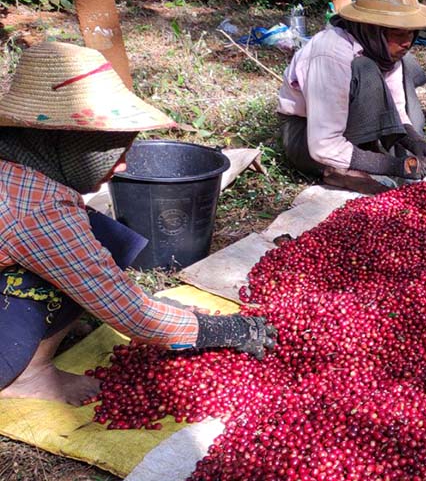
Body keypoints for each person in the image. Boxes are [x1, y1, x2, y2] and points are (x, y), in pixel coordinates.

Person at [0, 42, 276, 405]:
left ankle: (33, 337)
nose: (124, 165)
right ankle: (26, 374)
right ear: (71, 144)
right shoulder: (39, 206)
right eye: (115, 151)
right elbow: (131, 316)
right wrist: (228, 329)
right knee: (81, 249)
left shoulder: (18, 166)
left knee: (100, 234)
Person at [278, 0, 426, 195]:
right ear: (372, 29)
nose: (407, 42)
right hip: (306, 136)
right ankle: (341, 171)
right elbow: (323, 145)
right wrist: (394, 166)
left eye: (411, 34)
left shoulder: (384, 51)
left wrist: (415, 142)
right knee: (364, 68)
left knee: (408, 65)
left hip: (351, 126)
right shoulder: (331, 54)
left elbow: (396, 107)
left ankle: (366, 156)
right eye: (398, 34)